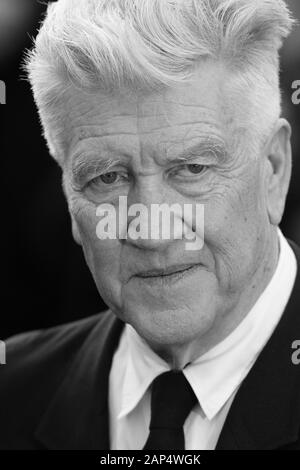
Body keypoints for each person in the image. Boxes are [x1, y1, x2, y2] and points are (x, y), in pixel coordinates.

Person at [0, 0, 299, 450]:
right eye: (107, 178)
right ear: (68, 197)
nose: (152, 231)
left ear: (273, 170)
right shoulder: (11, 394)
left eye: (192, 169)